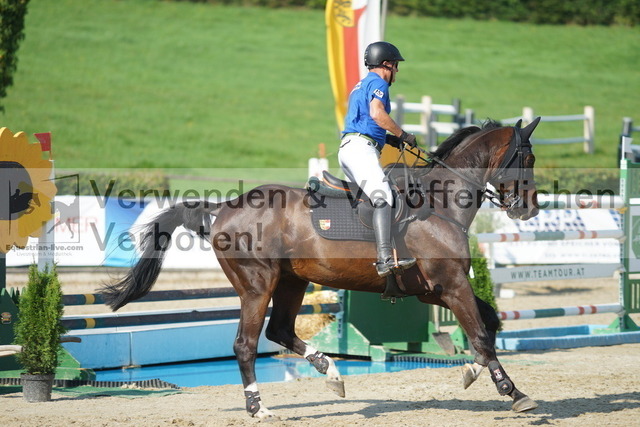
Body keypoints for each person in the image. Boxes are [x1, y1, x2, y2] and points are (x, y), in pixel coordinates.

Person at [338, 41, 417, 277]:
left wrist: (387, 140)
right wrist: (402, 134)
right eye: (395, 65)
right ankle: (384, 258)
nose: (397, 71)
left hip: (352, 146)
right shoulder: (379, 82)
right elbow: (376, 113)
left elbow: (365, 120)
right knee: (384, 196)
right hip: (361, 148)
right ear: (386, 64)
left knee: (371, 199)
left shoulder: (361, 84)